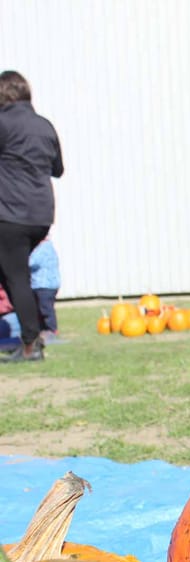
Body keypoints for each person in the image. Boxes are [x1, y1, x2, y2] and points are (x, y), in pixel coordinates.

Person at [0, 71, 63, 363]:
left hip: (11, 214)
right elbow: (57, 169)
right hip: (41, 215)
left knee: (16, 278)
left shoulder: (3, 123)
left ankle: (30, 344)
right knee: (14, 274)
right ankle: (31, 334)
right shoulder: (44, 126)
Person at [0, 238, 61, 343]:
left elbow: (32, 262)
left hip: (45, 284)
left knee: (46, 308)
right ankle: (43, 329)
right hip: (40, 284)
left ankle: (51, 329)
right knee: (39, 309)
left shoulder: (44, 248)